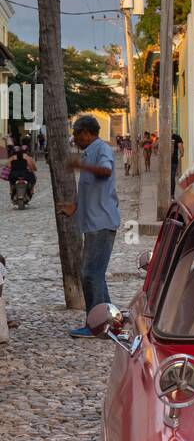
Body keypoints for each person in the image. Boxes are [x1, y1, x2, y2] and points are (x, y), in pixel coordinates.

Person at [59, 115, 121, 338]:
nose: (74, 138)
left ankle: (96, 325)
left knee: (90, 274)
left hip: (101, 223)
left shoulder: (100, 149)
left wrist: (81, 165)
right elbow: (90, 188)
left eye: (76, 133)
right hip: (93, 223)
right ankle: (108, 322)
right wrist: (74, 206)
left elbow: (106, 171)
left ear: (86, 132)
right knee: (95, 274)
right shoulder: (91, 151)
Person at [171, 131, 184, 196]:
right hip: (174, 161)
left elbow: (155, 147)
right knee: (172, 178)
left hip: (164, 162)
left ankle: (165, 194)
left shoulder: (161, 137)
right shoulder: (177, 137)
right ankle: (172, 196)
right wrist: (179, 156)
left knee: (166, 178)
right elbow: (181, 151)